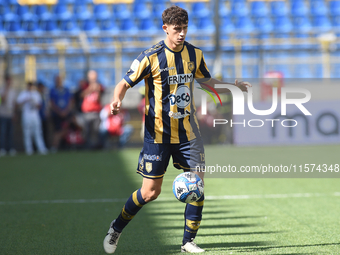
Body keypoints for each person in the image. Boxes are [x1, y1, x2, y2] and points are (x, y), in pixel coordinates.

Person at [103, 6, 251, 254]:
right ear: (165, 29)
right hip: (157, 134)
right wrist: (116, 99)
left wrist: (231, 85)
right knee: (150, 193)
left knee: (198, 184)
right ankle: (116, 228)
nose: (181, 34)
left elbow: (207, 82)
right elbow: (123, 83)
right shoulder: (150, 57)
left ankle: (188, 242)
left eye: (184, 29)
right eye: (177, 29)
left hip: (188, 134)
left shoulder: (194, 54)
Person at [16, 82, 48, 155]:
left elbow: (39, 106)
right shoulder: (23, 93)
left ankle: (41, 148)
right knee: (27, 133)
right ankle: (28, 150)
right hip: (26, 115)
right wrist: (25, 100)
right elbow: (17, 103)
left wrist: (34, 103)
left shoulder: (36, 94)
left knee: (38, 132)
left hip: (35, 116)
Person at [81, 70, 104, 149]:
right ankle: (86, 146)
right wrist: (90, 89)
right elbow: (81, 95)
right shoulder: (85, 85)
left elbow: (99, 99)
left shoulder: (99, 86)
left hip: (96, 112)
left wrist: (97, 90)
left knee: (95, 131)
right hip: (87, 112)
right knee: (86, 131)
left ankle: (94, 147)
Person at [49, 75, 73, 152]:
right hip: (57, 114)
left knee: (66, 129)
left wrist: (66, 111)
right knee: (57, 130)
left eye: (59, 80)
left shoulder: (66, 90)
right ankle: (54, 146)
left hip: (66, 113)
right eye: (57, 80)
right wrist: (59, 112)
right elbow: (51, 103)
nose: (58, 81)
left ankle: (64, 145)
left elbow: (70, 102)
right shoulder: (52, 90)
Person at [0, 75, 17, 156]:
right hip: (3, 115)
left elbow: (14, 103)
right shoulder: (1, 90)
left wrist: (14, 113)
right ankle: (2, 149)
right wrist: (6, 90)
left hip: (10, 115)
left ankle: (10, 148)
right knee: (2, 133)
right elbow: (2, 100)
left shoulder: (13, 91)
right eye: (8, 81)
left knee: (10, 133)